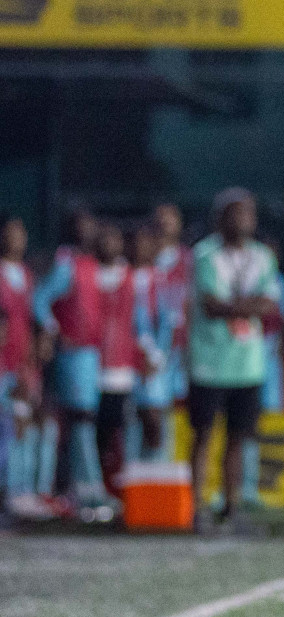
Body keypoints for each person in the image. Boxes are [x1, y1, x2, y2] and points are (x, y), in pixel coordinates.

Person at [188, 189, 281, 532]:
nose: (246, 220)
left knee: (239, 438)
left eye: (250, 213)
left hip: (248, 362)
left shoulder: (263, 257)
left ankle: (232, 507)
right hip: (209, 359)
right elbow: (211, 306)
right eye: (238, 213)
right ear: (221, 218)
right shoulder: (205, 255)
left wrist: (236, 306)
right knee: (204, 434)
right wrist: (248, 305)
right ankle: (197, 508)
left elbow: (270, 305)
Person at [33, 208, 115, 521]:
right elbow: (41, 299)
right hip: (73, 354)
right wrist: (55, 330)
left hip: (92, 355)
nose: (90, 231)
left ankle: (83, 489)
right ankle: (88, 491)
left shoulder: (93, 266)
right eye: (83, 226)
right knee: (80, 419)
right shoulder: (67, 265)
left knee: (86, 420)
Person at [93, 222, 152, 488]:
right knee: (94, 428)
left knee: (123, 425)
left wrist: (149, 353)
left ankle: (127, 481)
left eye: (114, 238)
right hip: (89, 365)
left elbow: (140, 321)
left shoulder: (129, 276)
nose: (110, 244)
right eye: (105, 238)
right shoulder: (86, 272)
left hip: (121, 366)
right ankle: (92, 485)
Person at [0, 217, 48, 520]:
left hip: (22, 363)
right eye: (9, 234)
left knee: (22, 427)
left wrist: (29, 364)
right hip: (2, 363)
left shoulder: (28, 276)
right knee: (5, 428)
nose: (16, 239)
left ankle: (20, 492)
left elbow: (29, 321)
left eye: (20, 234)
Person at [241, 238, 284, 508]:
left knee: (258, 421)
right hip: (240, 358)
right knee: (239, 422)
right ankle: (236, 484)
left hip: (266, 360)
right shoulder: (244, 280)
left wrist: (280, 350)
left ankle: (251, 483)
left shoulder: (278, 282)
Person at [128, 222, 177, 463]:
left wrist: (156, 355)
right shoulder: (124, 277)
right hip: (129, 359)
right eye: (135, 241)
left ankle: (158, 471)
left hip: (156, 360)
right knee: (132, 415)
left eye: (146, 242)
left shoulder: (160, 280)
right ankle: (132, 474)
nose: (140, 247)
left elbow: (166, 321)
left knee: (155, 416)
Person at [152, 203, 192, 406]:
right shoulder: (144, 259)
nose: (165, 225)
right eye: (161, 220)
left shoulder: (189, 260)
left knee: (182, 402)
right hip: (153, 344)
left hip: (182, 344)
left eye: (170, 220)